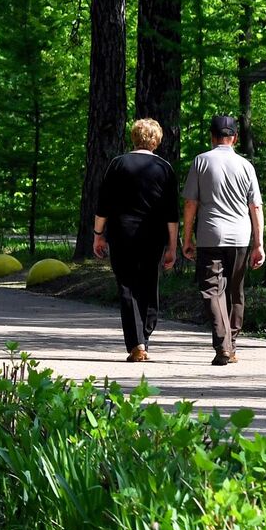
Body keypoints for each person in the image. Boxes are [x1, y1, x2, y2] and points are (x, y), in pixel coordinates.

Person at [93, 119, 180, 362]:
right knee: (148, 285)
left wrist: (98, 235)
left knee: (127, 287)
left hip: (121, 234)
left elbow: (103, 205)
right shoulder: (164, 168)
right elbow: (171, 214)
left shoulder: (117, 164)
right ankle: (144, 336)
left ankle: (137, 342)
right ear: (156, 140)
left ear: (134, 137)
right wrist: (173, 246)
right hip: (152, 236)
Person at [182, 114, 266, 366]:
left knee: (212, 291)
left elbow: (190, 203)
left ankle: (223, 345)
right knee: (235, 292)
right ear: (235, 138)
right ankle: (232, 345)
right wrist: (258, 243)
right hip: (240, 237)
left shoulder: (201, 162)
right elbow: (256, 207)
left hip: (210, 235)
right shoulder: (246, 166)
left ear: (212, 136)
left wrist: (186, 238)